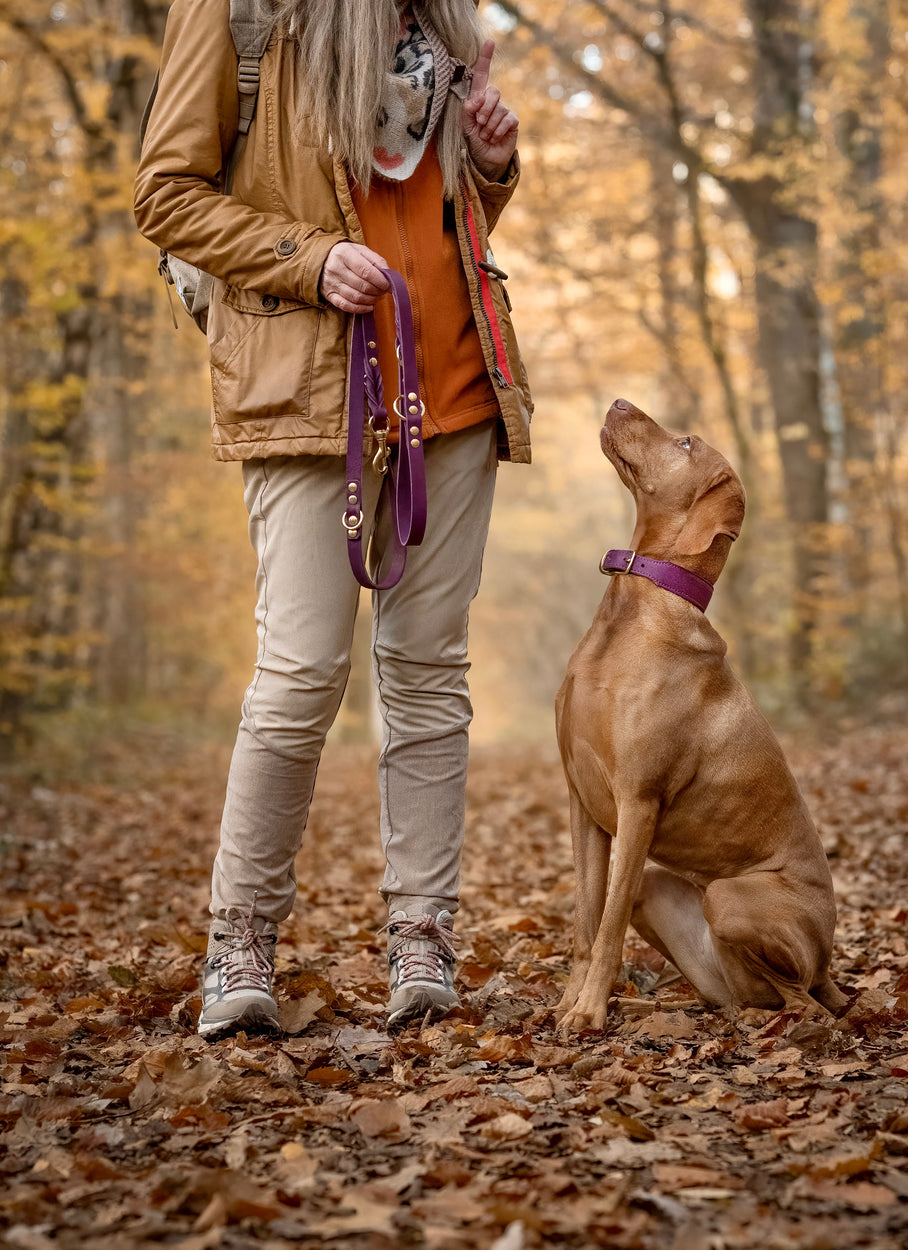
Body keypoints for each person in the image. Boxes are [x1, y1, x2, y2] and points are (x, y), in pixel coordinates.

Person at [134, 0, 531, 1036]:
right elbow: (164, 195)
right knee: (302, 672)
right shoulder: (242, 14)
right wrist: (307, 259)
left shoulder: (443, 27)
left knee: (430, 671)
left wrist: (492, 163)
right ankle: (240, 940)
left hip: (455, 389)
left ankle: (422, 933)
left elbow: (444, 218)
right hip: (311, 394)